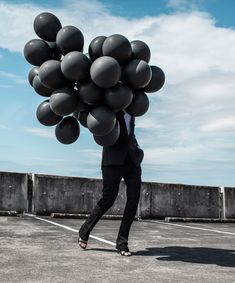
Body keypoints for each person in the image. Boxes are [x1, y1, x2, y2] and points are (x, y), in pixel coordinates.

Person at [78, 110, 144, 256]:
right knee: (108, 199)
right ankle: (84, 231)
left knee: (133, 200)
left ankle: (122, 243)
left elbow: (129, 132)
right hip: (112, 160)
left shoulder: (133, 109)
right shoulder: (111, 106)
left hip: (132, 161)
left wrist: (138, 151)